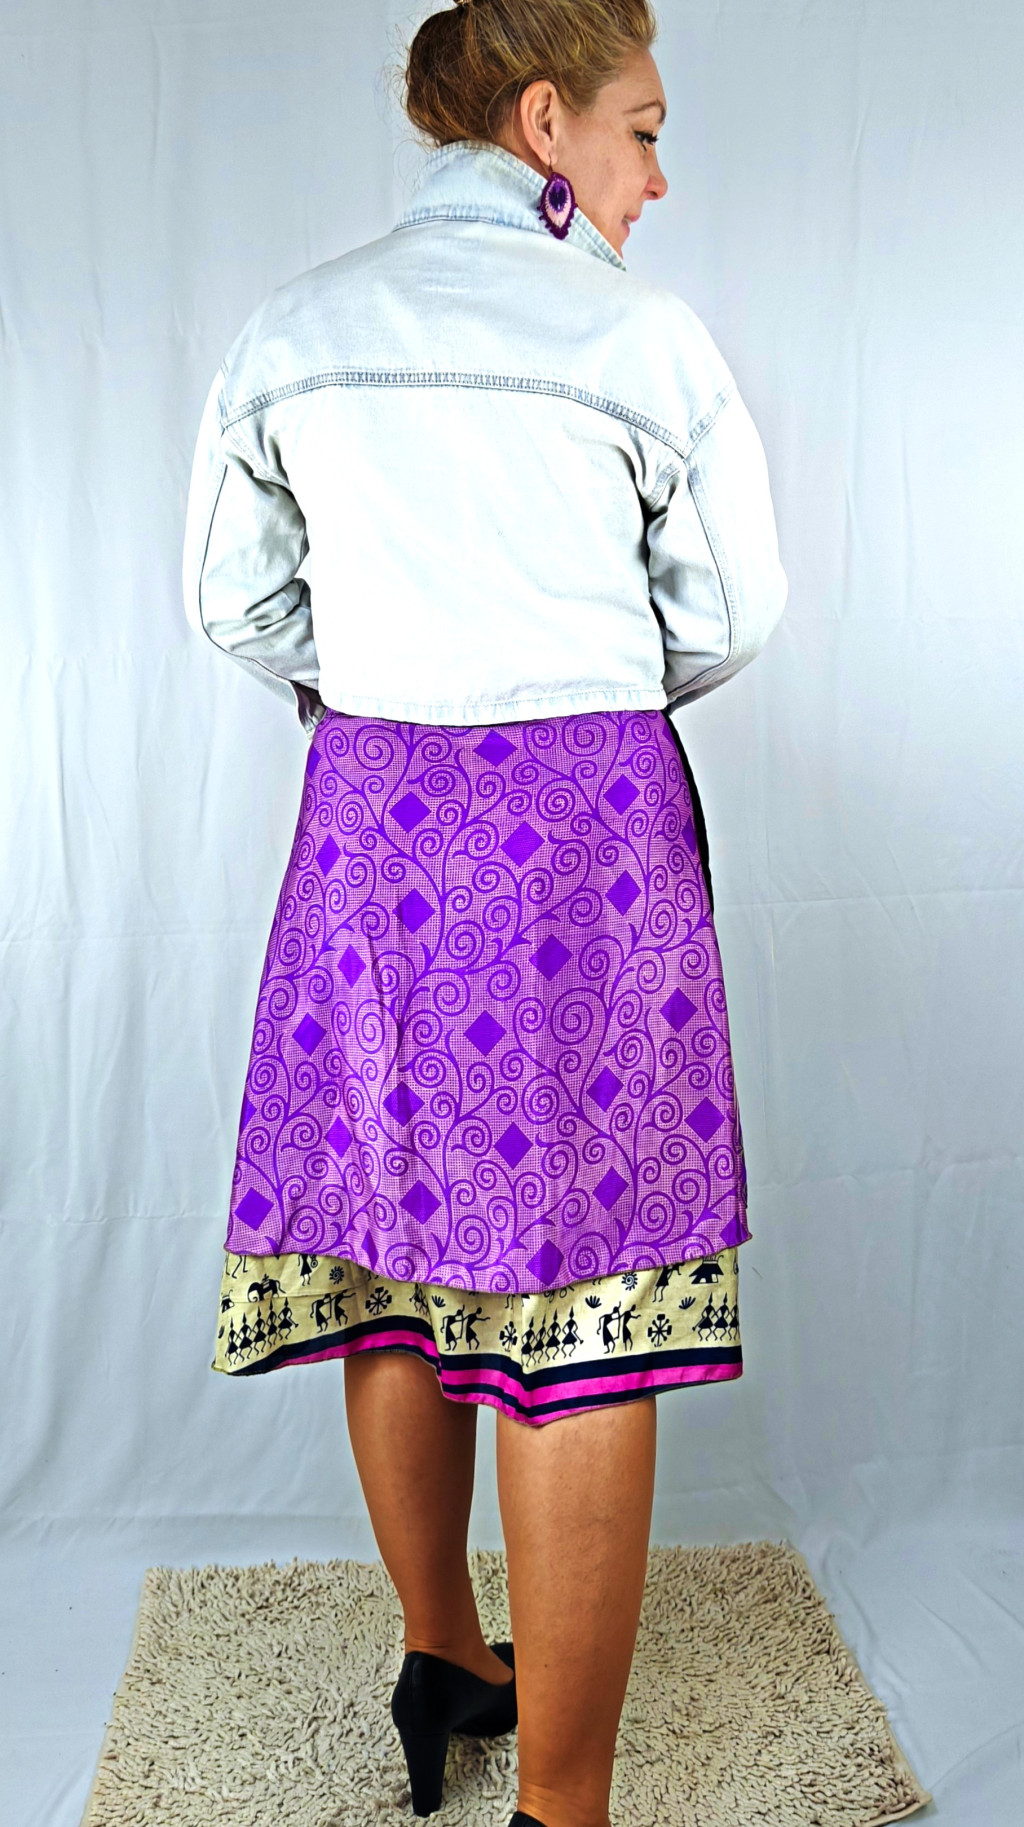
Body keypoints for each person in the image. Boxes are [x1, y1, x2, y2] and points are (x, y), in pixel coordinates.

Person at [181, 3, 787, 1823]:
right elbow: (733, 609)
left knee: (394, 1251)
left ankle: (444, 1648)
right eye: (641, 129)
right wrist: (576, 693)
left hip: (372, 816)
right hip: (581, 829)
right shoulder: (638, 339)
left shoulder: (294, 330)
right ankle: (563, 1809)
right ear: (543, 119)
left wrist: (386, 685)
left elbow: (232, 601)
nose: (657, 177)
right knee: (585, 1289)